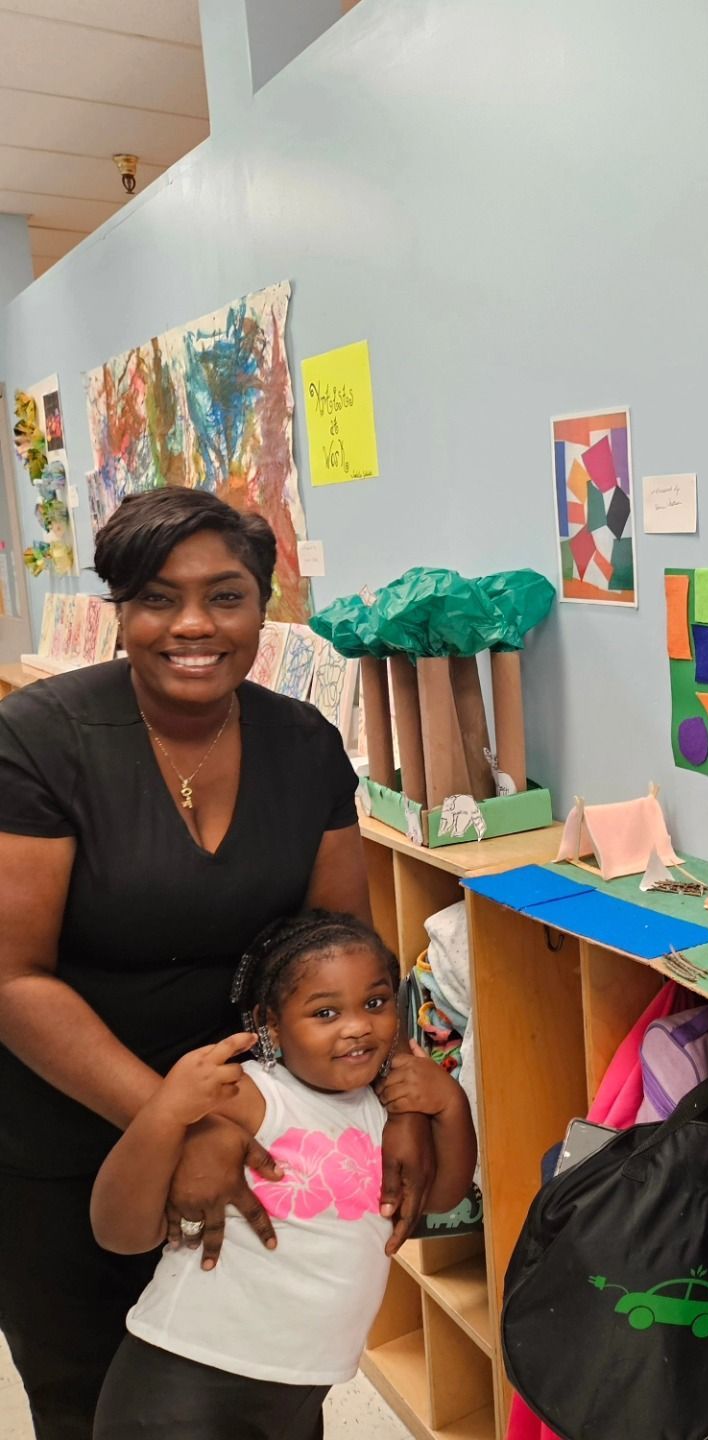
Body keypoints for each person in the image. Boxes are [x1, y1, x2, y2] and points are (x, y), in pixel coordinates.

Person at [0, 488, 434, 1439]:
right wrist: (175, 1123)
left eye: (226, 596)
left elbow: (342, 954)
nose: (193, 625)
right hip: (71, 1134)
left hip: (267, 1136)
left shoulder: (303, 745)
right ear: (122, 608)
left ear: (263, 606)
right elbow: (14, 979)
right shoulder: (43, 738)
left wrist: (400, 1096)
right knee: (84, 1400)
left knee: (259, 1394)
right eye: (159, 597)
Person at [90, 911, 477, 1439]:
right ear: (270, 1025)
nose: (358, 1025)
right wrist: (164, 1112)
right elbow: (118, 1232)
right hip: (183, 1386)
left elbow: (444, 1198)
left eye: (376, 1002)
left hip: (299, 1396)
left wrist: (450, 1105)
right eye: (324, 1012)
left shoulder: (389, 1106)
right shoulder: (248, 1096)